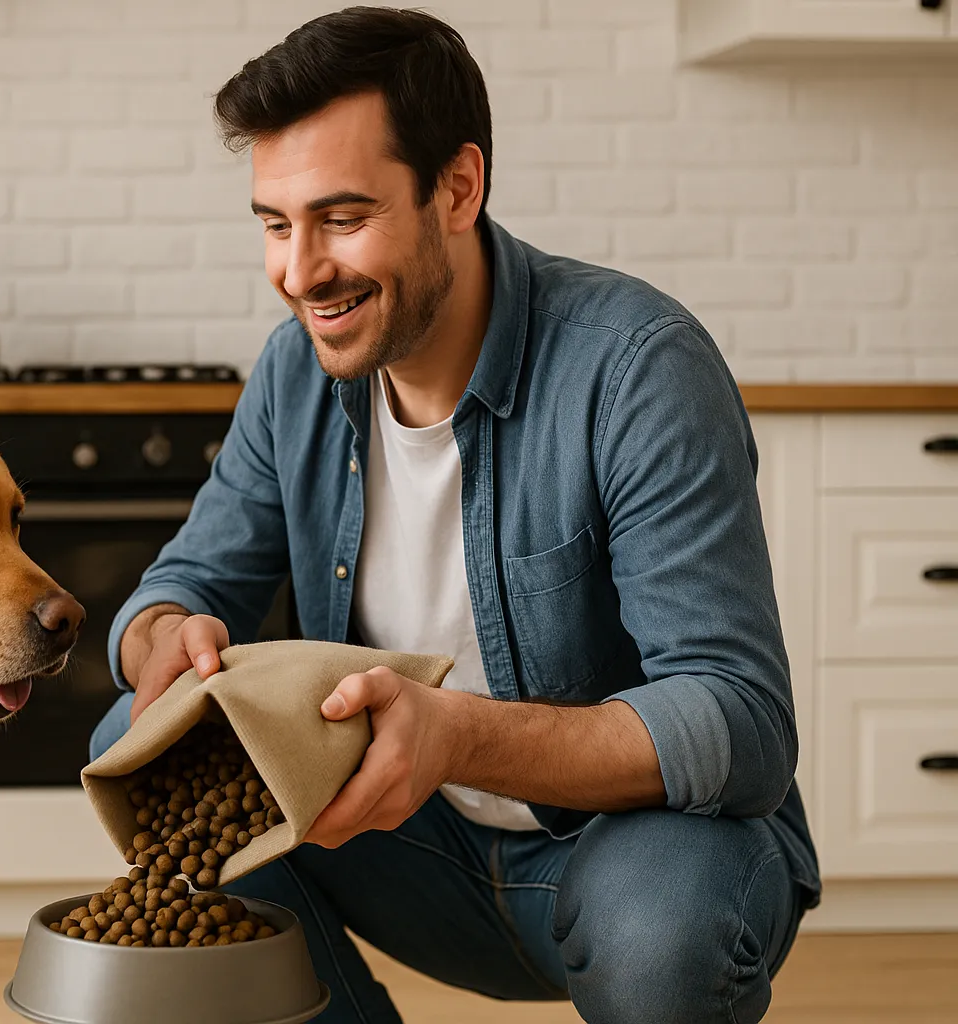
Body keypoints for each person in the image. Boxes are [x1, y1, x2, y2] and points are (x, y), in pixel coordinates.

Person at [87, 7, 819, 1023]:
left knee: (663, 929)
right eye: (273, 223)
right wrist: (164, 635)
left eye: (342, 218)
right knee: (142, 732)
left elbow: (740, 723)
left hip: (630, 854)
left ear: (459, 187)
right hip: (412, 846)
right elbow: (183, 585)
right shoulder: (296, 373)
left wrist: (456, 737)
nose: (299, 272)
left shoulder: (636, 368)